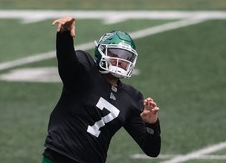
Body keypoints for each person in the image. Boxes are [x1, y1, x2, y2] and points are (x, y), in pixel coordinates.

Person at [42, 16, 161, 163]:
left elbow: (152, 149)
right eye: (115, 54)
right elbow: (66, 62)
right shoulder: (85, 70)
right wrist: (64, 34)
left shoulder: (131, 97)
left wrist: (152, 125)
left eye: (126, 57)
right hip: (60, 155)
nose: (121, 61)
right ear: (101, 52)